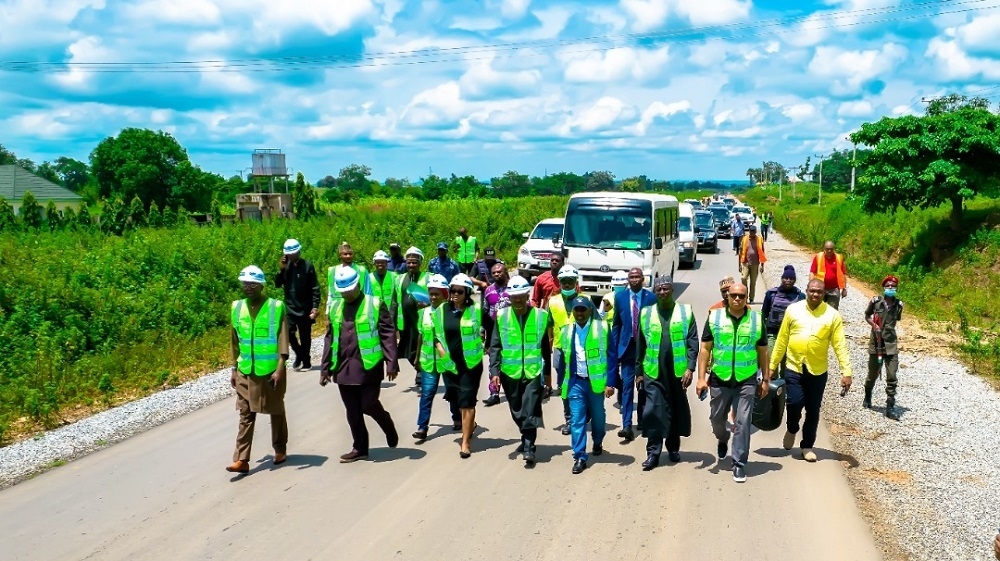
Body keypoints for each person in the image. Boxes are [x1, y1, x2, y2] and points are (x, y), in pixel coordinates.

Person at [320, 267, 399, 463]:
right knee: (353, 411)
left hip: (369, 364)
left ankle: (386, 422)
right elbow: (329, 339)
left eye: (349, 289)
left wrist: (391, 362)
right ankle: (360, 448)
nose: (346, 293)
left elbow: (387, 334)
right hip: (343, 366)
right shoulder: (336, 307)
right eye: (343, 291)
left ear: (358, 285)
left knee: (368, 404)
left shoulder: (374, 304)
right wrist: (325, 368)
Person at [769, 278, 852, 462]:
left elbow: (840, 345)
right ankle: (792, 428)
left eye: (819, 292)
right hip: (794, 366)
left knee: (813, 410)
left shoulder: (832, 315)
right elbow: (782, 340)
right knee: (794, 402)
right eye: (812, 290)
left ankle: (807, 446)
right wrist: (772, 366)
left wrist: (846, 371)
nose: (815, 294)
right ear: (806, 290)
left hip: (818, 370)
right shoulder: (793, 310)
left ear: (824, 294)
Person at [696, 282, 769, 483]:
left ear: (747, 298)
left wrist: (765, 379)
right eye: (734, 296)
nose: (737, 299)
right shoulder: (715, 317)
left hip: (746, 380)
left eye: (742, 296)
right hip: (720, 379)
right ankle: (722, 438)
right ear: (727, 297)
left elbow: (763, 351)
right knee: (716, 419)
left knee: (742, 422)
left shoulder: (756, 319)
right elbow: (705, 349)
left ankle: (738, 464)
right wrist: (701, 378)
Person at [227, 266, 290, 473]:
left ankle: (280, 448)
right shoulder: (237, 307)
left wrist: (280, 368)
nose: (249, 287)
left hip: (270, 371)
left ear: (261, 285)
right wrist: (234, 369)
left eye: (253, 284)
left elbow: (282, 339)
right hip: (246, 370)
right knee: (245, 413)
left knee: (276, 410)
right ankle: (242, 459)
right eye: (245, 284)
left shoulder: (275, 307)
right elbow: (235, 342)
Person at [635, 275, 698, 469]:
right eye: (659, 289)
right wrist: (638, 372)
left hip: (677, 373)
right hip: (653, 371)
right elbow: (640, 344)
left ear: (672, 290)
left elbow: (693, 342)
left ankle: (672, 448)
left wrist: (690, 367)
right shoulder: (646, 313)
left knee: (674, 409)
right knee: (654, 410)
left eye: (666, 289)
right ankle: (653, 453)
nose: (662, 292)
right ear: (655, 292)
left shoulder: (685, 312)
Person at [489, 275, 547, 466]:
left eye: (521, 296)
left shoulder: (540, 316)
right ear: (509, 297)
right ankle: (525, 435)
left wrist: (547, 377)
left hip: (532, 371)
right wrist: (495, 372)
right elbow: (495, 345)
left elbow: (545, 346)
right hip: (510, 372)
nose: (518, 300)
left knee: (530, 409)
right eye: (514, 297)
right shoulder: (502, 316)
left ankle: (529, 447)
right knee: (517, 410)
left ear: (526, 295)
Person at [555, 296, 614, 475]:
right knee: (577, 419)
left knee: (597, 416)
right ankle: (580, 456)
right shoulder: (566, 331)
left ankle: (597, 441)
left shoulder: (602, 328)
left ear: (590, 310)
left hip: (595, 382)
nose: (580, 313)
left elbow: (612, 355)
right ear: (572, 312)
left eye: (583, 310)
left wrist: (610, 382)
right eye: (576, 310)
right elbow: (563, 361)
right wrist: (560, 384)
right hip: (575, 382)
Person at [434, 273, 484, 458]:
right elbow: (434, 334)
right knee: (457, 400)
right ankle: (471, 424)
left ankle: (465, 442)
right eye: (452, 290)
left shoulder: (477, 310)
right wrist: (441, 351)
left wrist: (486, 342)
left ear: (467, 292)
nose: (455, 294)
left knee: (467, 402)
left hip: (471, 365)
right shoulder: (441, 310)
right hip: (450, 365)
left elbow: (492, 327)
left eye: (459, 291)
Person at [608, 267, 657, 441]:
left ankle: (642, 420)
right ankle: (626, 425)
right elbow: (616, 324)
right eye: (632, 277)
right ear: (627, 280)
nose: (635, 279)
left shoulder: (651, 298)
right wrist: (614, 348)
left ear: (643, 279)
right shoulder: (620, 298)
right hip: (627, 348)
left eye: (638, 277)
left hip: (645, 349)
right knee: (627, 386)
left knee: (643, 386)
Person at [413, 274, 460, 441]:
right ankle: (422, 427)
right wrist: (417, 357)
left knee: (452, 391)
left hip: (447, 361)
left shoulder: (451, 312)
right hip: (428, 362)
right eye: (431, 294)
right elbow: (420, 336)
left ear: (444, 294)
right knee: (427, 393)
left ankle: (458, 418)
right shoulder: (422, 313)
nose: (433, 297)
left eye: (436, 294)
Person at [275, 238, 320, 371]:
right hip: (290, 307)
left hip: (305, 307)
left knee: (305, 336)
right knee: (288, 332)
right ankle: (299, 354)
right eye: (289, 254)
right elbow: (277, 284)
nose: (292, 256)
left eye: (294, 253)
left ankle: (306, 360)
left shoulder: (307, 265)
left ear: (299, 251)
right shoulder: (286, 267)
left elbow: (315, 287)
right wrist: (281, 270)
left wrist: (315, 306)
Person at [863, 275, 904, 420]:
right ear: (884, 287)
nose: (891, 288)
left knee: (892, 375)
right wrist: (874, 325)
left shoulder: (899, 305)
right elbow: (867, 315)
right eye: (888, 286)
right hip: (876, 343)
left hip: (891, 344)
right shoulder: (876, 302)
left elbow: (896, 320)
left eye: (893, 286)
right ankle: (868, 394)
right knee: (872, 374)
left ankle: (890, 406)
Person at [549, 265, 583, 434]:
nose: (568, 284)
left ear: (576, 282)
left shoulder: (586, 300)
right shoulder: (553, 301)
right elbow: (548, 326)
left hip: (581, 350)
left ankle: (581, 415)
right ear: (560, 282)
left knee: (583, 384)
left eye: (571, 281)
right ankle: (569, 420)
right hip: (560, 349)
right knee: (564, 386)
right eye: (564, 281)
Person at [531, 253, 565, 396]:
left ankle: (563, 384)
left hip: (561, 322)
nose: (554, 263)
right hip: (544, 322)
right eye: (552, 260)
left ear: (563, 262)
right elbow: (534, 300)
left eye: (557, 261)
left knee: (561, 355)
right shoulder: (541, 279)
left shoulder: (568, 278)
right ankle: (547, 385)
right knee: (545, 355)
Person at [397, 247, 430, 384]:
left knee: (421, 346)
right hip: (405, 320)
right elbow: (394, 300)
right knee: (408, 350)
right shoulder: (399, 278)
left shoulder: (428, 277)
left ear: (420, 262)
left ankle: (421, 372)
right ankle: (418, 368)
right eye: (409, 262)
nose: (411, 265)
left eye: (414, 262)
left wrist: (427, 304)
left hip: (421, 319)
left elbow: (437, 297)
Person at [761, 265, 806, 361]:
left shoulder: (800, 296)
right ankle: (773, 376)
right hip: (772, 333)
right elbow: (763, 313)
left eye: (791, 278)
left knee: (786, 363)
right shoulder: (771, 294)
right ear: (782, 279)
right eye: (786, 278)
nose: (788, 280)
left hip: (790, 335)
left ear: (795, 280)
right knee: (771, 359)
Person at [481, 262, 511, 407]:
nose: (497, 275)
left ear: (506, 272)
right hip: (494, 331)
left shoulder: (513, 289)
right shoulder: (488, 291)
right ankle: (494, 393)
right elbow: (485, 312)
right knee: (494, 360)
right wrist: (483, 332)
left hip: (512, 331)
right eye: (494, 273)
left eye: (499, 272)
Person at [326, 242, 372, 315]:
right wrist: (327, 313)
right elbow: (331, 293)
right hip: (337, 311)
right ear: (340, 255)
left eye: (350, 254)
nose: (348, 256)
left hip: (358, 307)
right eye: (345, 254)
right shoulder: (332, 271)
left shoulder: (362, 270)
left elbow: (368, 291)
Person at [809, 241, 848, 310]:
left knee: (832, 311)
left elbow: (843, 274)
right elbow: (812, 272)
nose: (829, 251)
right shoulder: (818, 257)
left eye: (831, 249)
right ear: (824, 248)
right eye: (827, 249)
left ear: (834, 249)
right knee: (817, 308)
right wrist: (811, 286)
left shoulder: (839, 258)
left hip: (834, 289)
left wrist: (844, 288)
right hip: (820, 289)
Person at [738, 224, 766, 304]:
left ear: (756, 231)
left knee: (753, 282)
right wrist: (739, 265)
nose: (752, 233)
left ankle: (751, 298)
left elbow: (762, 252)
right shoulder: (744, 239)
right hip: (745, 263)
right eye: (751, 231)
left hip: (755, 264)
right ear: (749, 231)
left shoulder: (759, 239)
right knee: (743, 278)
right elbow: (740, 252)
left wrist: (762, 265)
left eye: (753, 231)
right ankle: (745, 295)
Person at [369, 250, 399, 320]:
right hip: (375, 313)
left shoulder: (394, 276)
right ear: (374, 263)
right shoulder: (369, 277)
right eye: (378, 262)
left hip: (391, 313)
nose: (380, 264)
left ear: (386, 262)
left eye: (382, 262)